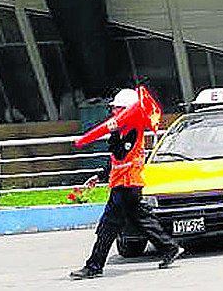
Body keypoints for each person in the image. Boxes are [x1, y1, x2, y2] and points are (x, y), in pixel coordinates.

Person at [69, 89, 182, 279]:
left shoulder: (132, 129)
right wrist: (100, 175)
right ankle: (170, 247)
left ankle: (94, 266)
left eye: (118, 109)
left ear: (127, 110)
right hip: (125, 184)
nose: (114, 112)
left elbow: (121, 153)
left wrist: (113, 132)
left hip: (127, 184)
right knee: (142, 220)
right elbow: (116, 160)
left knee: (108, 225)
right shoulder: (124, 129)